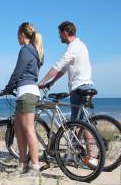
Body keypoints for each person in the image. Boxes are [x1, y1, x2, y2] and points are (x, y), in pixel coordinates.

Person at [37, 21, 99, 168]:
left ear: (65, 32)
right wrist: (51, 83)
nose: (59, 36)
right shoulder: (81, 45)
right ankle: (80, 155)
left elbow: (58, 65)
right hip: (85, 85)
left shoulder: (74, 47)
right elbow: (64, 69)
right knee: (81, 123)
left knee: (80, 124)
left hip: (79, 87)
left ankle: (88, 157)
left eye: (59, 33)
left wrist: (43, 80)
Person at [0, 22, 45, 175]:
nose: (17, 38)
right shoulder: (36, 51)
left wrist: (7, 89)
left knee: (28, 129)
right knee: (18, 128)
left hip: (26, 92)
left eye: (17, 35)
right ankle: (22, 164)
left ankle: (35, 166)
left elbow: (17, 73)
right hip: (27, 92)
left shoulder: (26, 50)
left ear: (21, 34)